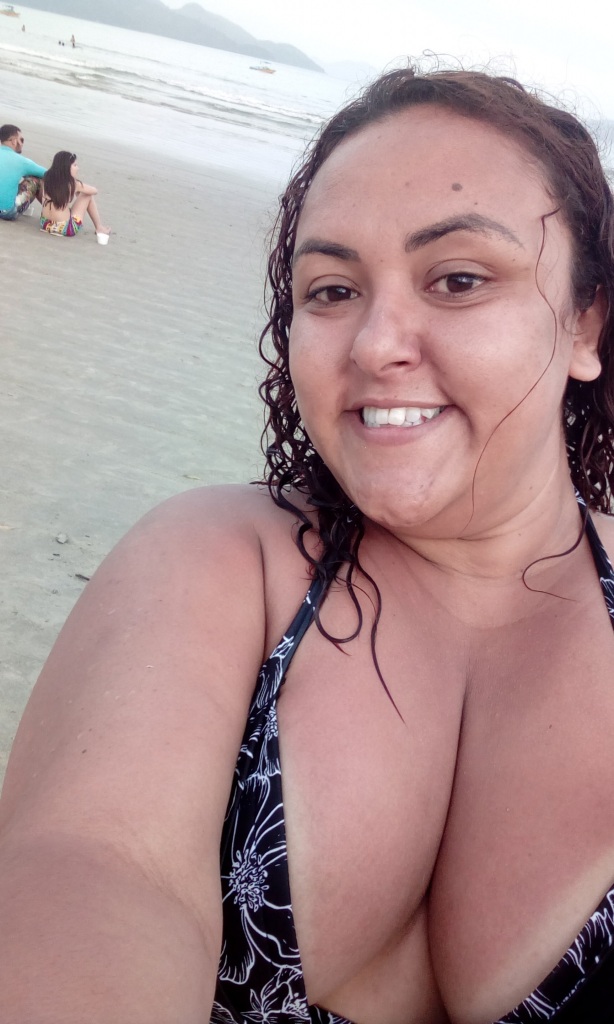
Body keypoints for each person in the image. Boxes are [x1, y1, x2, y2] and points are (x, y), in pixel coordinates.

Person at [0, 60, 614, 1024]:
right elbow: (94, 865)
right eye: (331, 290)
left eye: (458, 279)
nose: (373, 343)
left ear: (586, 325)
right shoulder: (218, 565)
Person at [40, 150, 110, 238]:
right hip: (65, 228)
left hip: (45, 224)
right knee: (87, 195)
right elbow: (94, 191)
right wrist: (78, 189)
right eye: (75, 165)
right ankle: (99, 227)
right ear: (66, 167)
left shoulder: (47, 177)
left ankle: (99, 227)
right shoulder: (72, 184)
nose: (78, 168)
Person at [0, 123, 45, 221]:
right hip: (6, 212)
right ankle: (51, 212)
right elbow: (47, 174)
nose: (22, 143)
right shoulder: (21, 161)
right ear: (14, 141)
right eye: (21, 140)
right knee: (35, 180)